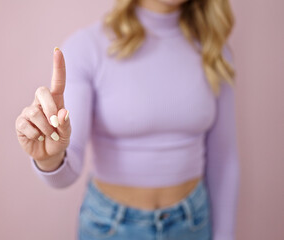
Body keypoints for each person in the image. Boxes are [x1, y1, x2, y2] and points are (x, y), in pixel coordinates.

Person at [15, 0, 240, 239]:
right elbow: (68, 169)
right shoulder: (87, 47)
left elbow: (224, 161)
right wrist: (50, 159)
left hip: (193, 224)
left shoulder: (214, 51)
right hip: (110, 227)